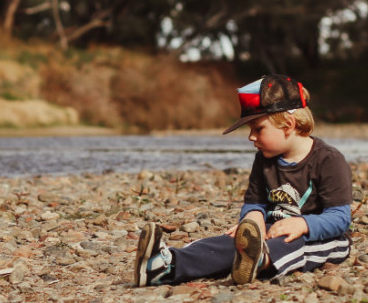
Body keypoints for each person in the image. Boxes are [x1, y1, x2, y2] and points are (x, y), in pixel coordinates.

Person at [134, 74, 353, 287]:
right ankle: (166, 265)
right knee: (229, 241)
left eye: (258, 129)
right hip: (270, 229)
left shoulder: (329, 160)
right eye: (250, 129)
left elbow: (340, 218)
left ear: (288, 125)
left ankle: (258, 260)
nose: (251, 137)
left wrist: (303, 224)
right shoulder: (264, 160)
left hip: (321, 238)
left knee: (289, 242)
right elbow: (255, 201)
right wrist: (254, 216)